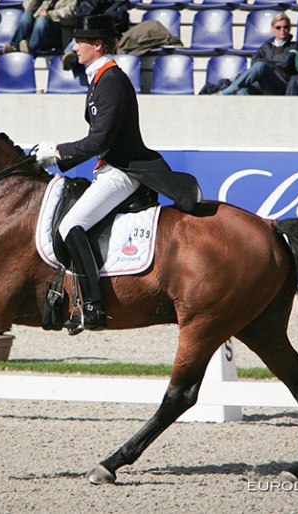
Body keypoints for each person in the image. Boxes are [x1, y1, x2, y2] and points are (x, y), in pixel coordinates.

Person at [35, 14, 202, 332]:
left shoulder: (110, 80)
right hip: (110, 168)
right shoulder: (98, 78)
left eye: (80, 41)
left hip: (124, 170)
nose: (75, 46)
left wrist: (58, 153)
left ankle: (93, 307)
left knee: (71, 225)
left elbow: (101, 140)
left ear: (97, 45)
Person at [221, 12, 298, 96]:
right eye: (278, 27)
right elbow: (254, 62)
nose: (282, 30)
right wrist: (270, 65)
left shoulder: (295, 46)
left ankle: (229, 89)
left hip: (282, 84)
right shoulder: (266, 47)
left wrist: (267, 65)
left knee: (261, 66)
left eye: (285, 27)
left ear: (290, 28)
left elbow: (287, 61)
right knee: (244, 90)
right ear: (273, 29)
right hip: (263, 83)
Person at [3, 0, 76, 55]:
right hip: (39, 29)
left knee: (42, 19)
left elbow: (70, 13)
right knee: (26, 16)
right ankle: (14, 46)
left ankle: (32, 49)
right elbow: (28, 8)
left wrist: (50, 15)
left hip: (58, 31)